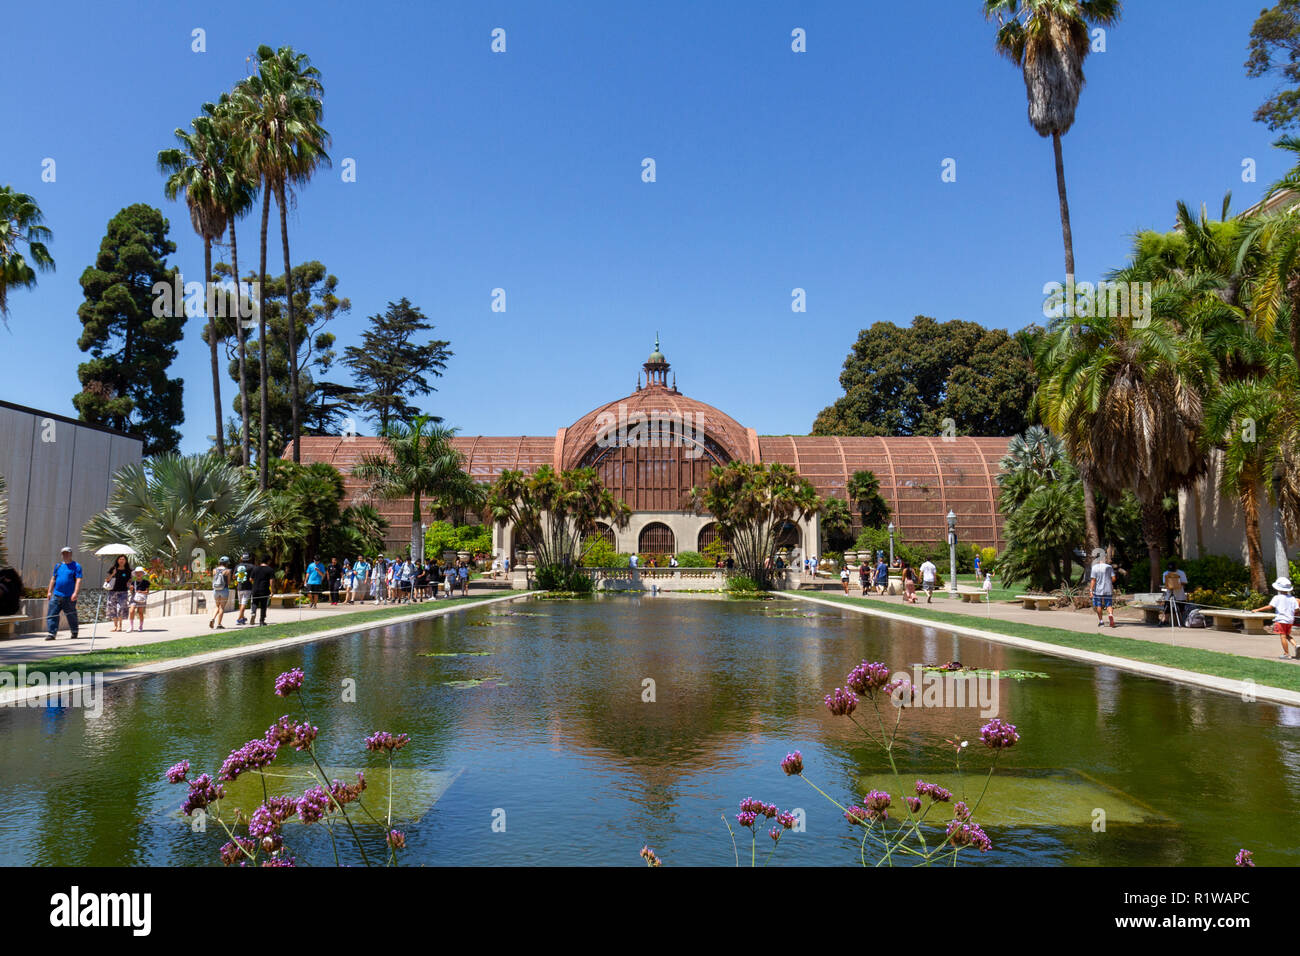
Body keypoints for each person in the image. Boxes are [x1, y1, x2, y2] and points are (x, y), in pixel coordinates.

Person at [1254, 577, 1298, 659]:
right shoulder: (1292, 598)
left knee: (1283, 636)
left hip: (1281, 619)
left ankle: (1286, 654)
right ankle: (1296, 646)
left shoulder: (1277, 597)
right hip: (1290, 620)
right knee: (1287, 635)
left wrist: (1258, 609)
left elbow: (1270, 607)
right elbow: (1297, 609)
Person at [45, 546, 82, 641]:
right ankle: (51, 633)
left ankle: (74, 631)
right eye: (64, 553)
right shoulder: (58, 566)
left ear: (71, 554)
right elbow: (53, 579)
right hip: (56, 595)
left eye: (67, 553)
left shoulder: (76, 566)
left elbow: (78, 580)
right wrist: (49, 592)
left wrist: (75, 593)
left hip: (69, 596)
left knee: (71, 615)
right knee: (52, 614)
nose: (65, 555)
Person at [1089, 550, 1117, 628]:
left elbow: (1093, 580)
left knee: (1098, 605)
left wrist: (1091, 591)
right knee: (1109, 604)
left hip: (1098, 590)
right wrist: (1109, 582)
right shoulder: (1109, 567)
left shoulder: (1094, 568)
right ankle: (1110, 614)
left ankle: (1101, 622)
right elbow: (1114, 578)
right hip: (1108, 589)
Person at [105, 554, 131, 632]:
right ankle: (115, 626)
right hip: (112, 591)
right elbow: (107, 580)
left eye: (123, 559)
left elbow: (130, 580)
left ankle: (120, 626)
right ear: (117, 560)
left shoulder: (128, 570)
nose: (122, 561)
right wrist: (113, 573)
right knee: (113, 609)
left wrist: (129, 584)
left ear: (126, 561)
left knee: (121, 608)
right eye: (120, 559)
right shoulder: (113, 569)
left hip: (123, 591)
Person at [246, 557, 275, 626]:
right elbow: (272, 581)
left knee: (254, 603)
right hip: (264, 590)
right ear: (267, 561)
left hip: (255, 589)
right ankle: (262, 621)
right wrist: (272, 590)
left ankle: (253, 612)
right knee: (263, 606)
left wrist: (255, 583)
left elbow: (250, 579)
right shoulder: (270, 570)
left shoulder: (255, 569)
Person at [209, 556, 231, 629]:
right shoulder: (227, 571)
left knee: (217, 606)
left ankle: (212, 618)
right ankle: (219, 624)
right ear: (227, 563)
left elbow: (214, 579)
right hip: (224, 589)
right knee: (221, 607)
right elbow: (228, 582)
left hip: (216, 590)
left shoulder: (214, 570)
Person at [128, 566, 150, 631]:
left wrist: (141, 592)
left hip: (141, 598)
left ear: (143, 574)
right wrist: (131, 589)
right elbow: (131, 592)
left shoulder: (146, 582)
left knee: (140, 612)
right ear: (135, 574)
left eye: (140, 572)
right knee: (131, 611)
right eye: (137, 572)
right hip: (134, 597)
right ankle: (131, 627)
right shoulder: (133, 582)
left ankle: (140, 626)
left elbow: (147, 592)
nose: (138, 574)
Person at [235, 554, 253, 625]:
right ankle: (239, 619)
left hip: (239, 587)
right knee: (244, 603)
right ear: (249, 559)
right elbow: (252, 577)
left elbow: (234, 576)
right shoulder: (252, 566)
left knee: (240, 603)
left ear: (241, 558)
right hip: (248, 587)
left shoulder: (237, 566)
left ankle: (242, 618)